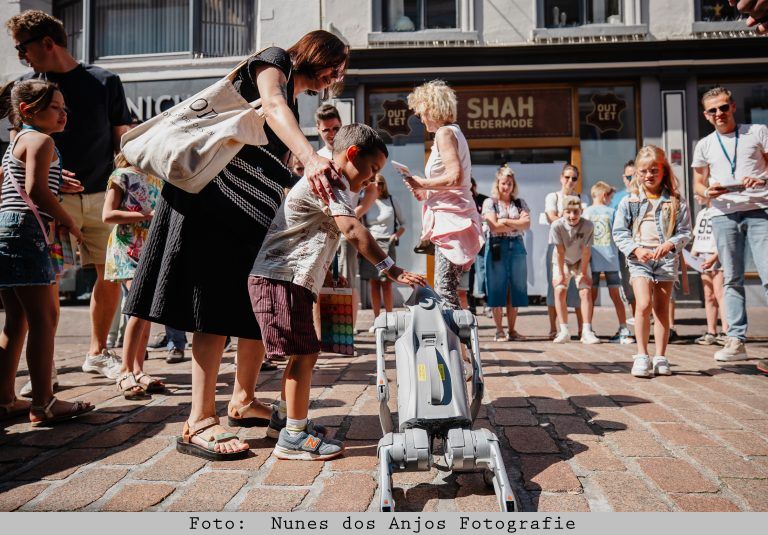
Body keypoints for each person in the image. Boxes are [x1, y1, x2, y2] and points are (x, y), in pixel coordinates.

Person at [123, 31, 350, 461]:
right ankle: (198, 421)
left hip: (247, 216)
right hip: (209, 202)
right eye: (336, 66)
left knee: (248, 310)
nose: (335, 75)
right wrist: (311, 155)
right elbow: (272, 105)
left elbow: (279, 168)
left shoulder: (296, 103)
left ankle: (243, 401)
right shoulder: (274, 62)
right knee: (212, 309)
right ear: (319, 56)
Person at [249, 124, 425, 460]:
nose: (372, 180)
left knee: (304, 352)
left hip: (291, 279)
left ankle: (286, 422)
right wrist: (392, 268)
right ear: (353, 154)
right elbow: (350, 228)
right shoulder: (327, 179)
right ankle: (294, 438)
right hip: (280, 278)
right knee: (304, 353)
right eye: (372, 169)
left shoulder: (335, 180)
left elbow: (320, 234)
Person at [7, 10, 132, 380]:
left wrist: (122, 188)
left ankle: (97, 352)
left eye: (22, 48)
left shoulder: (105, 81)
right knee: (45, 283)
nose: (21, 56)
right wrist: (47, 178)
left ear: (47, 43)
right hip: (48, 200)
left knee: (108, 274)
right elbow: (19, 145)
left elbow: (122, 140)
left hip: (100, 197)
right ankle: (42, 370)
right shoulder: (28, 88)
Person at [0, 79, 93, 424]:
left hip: (8, 229)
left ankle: (6, 398)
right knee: (45, 319)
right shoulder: (41, 140)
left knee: (17, 319)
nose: (63, 114)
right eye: (55, 107)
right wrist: (70, 221)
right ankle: (43, 402)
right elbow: (36, 191)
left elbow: (13, 182)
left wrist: (56, 182)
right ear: (28, 110)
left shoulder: (18, 141)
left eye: (64, 108)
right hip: (28, 232)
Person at [692, 86, 768, 363]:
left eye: (723, 107)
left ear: (733, 107)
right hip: (723, 214)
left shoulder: (758, 131)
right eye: (713, 110)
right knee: (732, 279)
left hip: (760, 209)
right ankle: (736, 340)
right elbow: (698, 184)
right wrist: (706, 193)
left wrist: (762, 179)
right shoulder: (704, 145)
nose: (719, 113)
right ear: (706, 115)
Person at [404, 80, 484, 309]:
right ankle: (458, 343)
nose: (420, 118)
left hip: (452, 221)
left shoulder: (444, 133)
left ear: (431, 108)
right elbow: (454, 181)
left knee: (445, 289)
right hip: (452, 218)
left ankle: (453, 342)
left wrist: (423, 182)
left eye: (421, 111)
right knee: (448, 288)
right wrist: (425, 191)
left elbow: (455, 177)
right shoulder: (451, 133)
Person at [614, 145, 691, 378]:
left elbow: (685, 231)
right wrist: (636, 249)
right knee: (643, 303)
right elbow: (619, 232)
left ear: (664, 171)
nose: (649, 175)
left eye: (654, 170)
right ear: (637, 173)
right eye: (644, 171)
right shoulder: (630, 201)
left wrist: (670, 244)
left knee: (661, 309)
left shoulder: (676, 200)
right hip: (639, 260)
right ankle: (641, 355)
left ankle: (660, 356)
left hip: (666, 260)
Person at [102, 153, 165, 399]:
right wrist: (145, 216)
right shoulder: (122, 176)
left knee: (145, 310)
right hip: (127, 247)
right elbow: (107, 215)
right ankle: (126, 370)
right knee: (138, 308)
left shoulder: (157, 178)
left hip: (149, 248)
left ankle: (138, 370)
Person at [482, 164, 530, 341]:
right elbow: (493, 226)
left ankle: (512, 330)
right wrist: (514, 222)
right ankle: (499, 330)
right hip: (496, 246)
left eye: (509, 183)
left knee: (515, 287)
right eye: (503, 183)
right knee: (496, 287)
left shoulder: (519, 202)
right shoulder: (490, 202)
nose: (506, 186)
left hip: (516, 245)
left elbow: (526, 224)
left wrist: (504, 221)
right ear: (497, 184)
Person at [583, 181, 634, 344]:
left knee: (591, 295)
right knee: (616, 296)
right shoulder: (612, 212)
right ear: (604, 196)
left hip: (591, 259)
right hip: (611, 258)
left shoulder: (586, 212)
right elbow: (618, 233)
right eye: (610, 197)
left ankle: (588, 328)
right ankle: (623, 328)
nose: (611, 201)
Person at [550, 196, 600, 345]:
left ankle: (586, 330)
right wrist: (560, 273)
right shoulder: (556, 226)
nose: (572, 216)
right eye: (568, 212)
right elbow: (559, 251)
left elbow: (586, 251)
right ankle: (563, 330)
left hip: (580, 260)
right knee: (559, 289)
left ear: (581, 211)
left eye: (576, 212)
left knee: (585, 291)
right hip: (563, 260)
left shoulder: (588, 226)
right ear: (562, 212)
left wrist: (583, 273)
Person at [358, 174, 406, 328]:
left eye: (380, 183)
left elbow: (403, 224)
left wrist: (395, 236)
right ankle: (377, 320)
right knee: (374, 283)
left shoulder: (392, 201)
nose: (377, 186)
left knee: (386, 282)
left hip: (387, 244)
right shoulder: (365, 201)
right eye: (373, 182)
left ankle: (390, 319)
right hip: (370, 244)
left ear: (384, 184)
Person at [544, 164, 584, 339]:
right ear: (561, 178)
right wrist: (568, 216)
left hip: (576, 245)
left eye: (574, 178)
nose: (570, 181)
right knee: (555, 286)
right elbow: (551, 217)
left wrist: (566, 216)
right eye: (567, 177)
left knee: (579, 287)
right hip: (557, 244)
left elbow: (585, 221)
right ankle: (555, 328)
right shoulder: (553, 197)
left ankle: (583, 329)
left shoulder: (582, 198)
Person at [691, 194, 729, 345]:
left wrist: (715, 256)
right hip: (703, 258)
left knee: (721, 294)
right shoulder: (702, 213)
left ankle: (726, 331)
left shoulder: (721, 211)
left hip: (717, 256)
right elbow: (698, 237)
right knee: (709, 295)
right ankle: (711, 331)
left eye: (698, 192)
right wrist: (692, 256)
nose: (695, 196)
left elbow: (725, 238)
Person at [469, 177, 488, 315]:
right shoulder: (463, 200)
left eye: (472, 187)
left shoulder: (484, 200)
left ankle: (487, 302)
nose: (470, 190)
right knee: (469, 274)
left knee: (484, 272)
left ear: (475, 186)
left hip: (482, 241)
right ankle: (471, 304)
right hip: (468, 242)